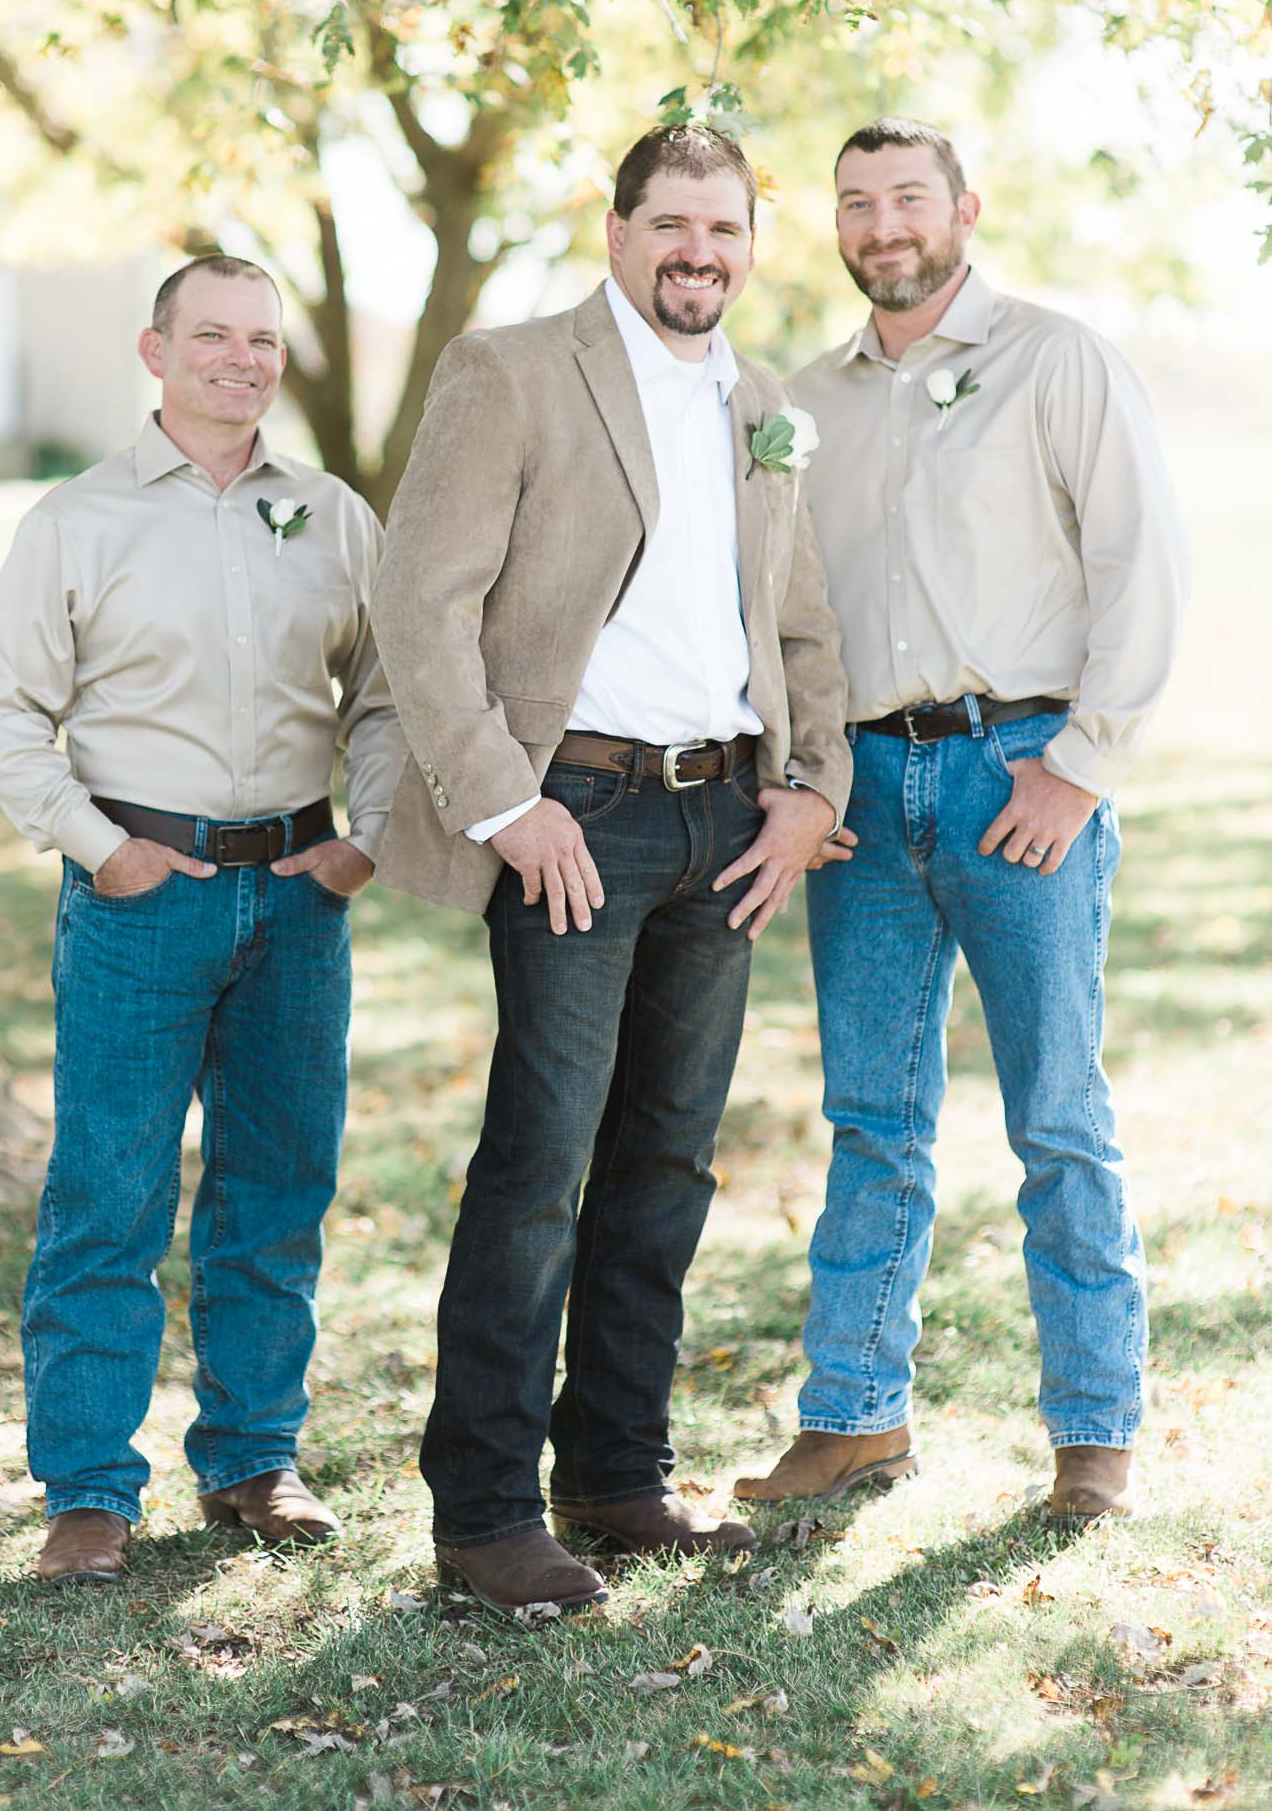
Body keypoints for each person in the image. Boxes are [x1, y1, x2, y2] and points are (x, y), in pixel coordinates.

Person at [371, 124, 852, 1612]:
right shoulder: (511, 371)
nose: (699, 252)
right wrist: (505, 803)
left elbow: (807, 635)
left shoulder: (765, 407)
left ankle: (616, 1476)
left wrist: (809, 795)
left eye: (725, 229)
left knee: (667, 1165)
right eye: (672, 225)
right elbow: (420, 597)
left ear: (752, 243)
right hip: (573, 816)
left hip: (728, 827)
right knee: (538, 1165)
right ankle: (487, 1514)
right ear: (618, 226)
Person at [734, 119, 1188, 1522]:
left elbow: (1141, 564)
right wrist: (806, 775)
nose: (883, 225)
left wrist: (1081, 764)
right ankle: (855, 1416)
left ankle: (1094, 1435)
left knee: (1057, 1113)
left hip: (1019, 781)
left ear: (965, 209)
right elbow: (779, 615)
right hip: (861, 796)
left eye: (908, 199)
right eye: (857, 203)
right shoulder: (803, 402)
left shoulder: (1056, 360)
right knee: (876, 1116)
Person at [0, 254, 403, 1583]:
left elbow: (384, 698)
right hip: (140, 898)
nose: (241, 359)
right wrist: (102, 850)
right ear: (156, 353)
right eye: (212, 336)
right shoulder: (77, 521)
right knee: (110, 1194)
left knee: (277, 1189)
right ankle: (89, 1490)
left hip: (296, 896)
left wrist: (363, 839)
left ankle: (256, 1459)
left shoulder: (330, 516)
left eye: (261, 339)